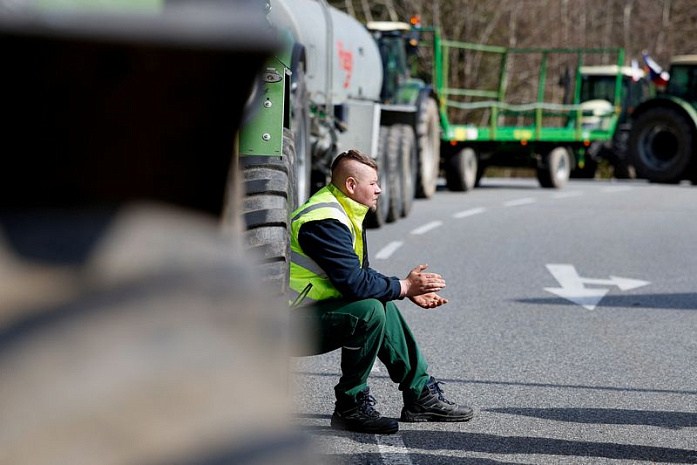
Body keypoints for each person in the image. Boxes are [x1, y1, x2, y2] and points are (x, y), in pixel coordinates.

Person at [290, 149, 474, 434]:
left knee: (381, 301)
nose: (379, 189)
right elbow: (354, 284)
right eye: (373, 183)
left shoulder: (343, 209)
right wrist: (403, 287)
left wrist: (404, 289)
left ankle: (420, 394)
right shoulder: (324, 220)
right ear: (351, 185)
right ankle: (350, 406)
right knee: (369, 310)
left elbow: (359, 276)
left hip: (303, 315)